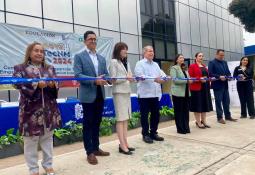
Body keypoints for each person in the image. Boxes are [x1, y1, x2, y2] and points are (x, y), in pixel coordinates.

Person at [13, 42, 61, 175]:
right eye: (36, 50)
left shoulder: (50, 68)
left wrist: (52, 85)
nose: (39, 53)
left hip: (49, 111)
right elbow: (17, 84)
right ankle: (33, 169)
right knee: (30, 142)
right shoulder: (20, 68)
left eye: (42, 51)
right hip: (30, 113)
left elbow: (57, 84)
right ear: (29, 52)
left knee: (47, 139)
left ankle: (48, 165)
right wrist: (36, 84)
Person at [73, 31, 110, 165]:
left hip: (100, 94)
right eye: (90, 39)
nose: (93, 41)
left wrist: (107, 79)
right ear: (85, 41)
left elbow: (105, 73)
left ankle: (96, 148)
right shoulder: (79, 56)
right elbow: (78, 75)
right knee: (88, 124)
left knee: (97, 123)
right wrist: (94, 80)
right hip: (88, 96)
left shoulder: (101, 58)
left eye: (95, 39)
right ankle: (89, 152)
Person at [134, 45, 165, 144]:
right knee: (144, 115)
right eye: (149, 51)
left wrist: (165, 77)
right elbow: (140, 76)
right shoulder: (140, 64)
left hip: (155, 94)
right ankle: (145, 134)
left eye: (152, 51)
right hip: (144, 95)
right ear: (144, 53)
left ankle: (153, 133)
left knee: (156, 114)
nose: (152, 53)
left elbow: (162, 74)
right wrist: (154, 79)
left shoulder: (156, 64)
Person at [109, 42, 135, 155]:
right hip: (119, 93)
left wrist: (131, 78)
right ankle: (122, 145)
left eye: (126, 49)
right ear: (118, 50)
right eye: (124, 49)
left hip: (126, 92)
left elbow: (129, 76)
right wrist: (126, 77)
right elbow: (113, 79)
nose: (126, 51)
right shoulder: (113, 62)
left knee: (125, 118)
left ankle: (125, 143)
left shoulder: (126, 62)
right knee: (120, 119)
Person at [208, 49, 237, 124]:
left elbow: (227, 72)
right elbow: (210, 74)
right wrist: (219, 76)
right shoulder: (212, 63)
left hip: (225, 85)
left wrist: (229, 76)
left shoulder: (224, 62)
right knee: (218, 102)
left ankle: (228, 116)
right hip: (217, 86)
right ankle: (219, 117)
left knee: (226, 102)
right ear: (216, 54)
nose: (222, 56)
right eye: (221, 55)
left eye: (223, 55)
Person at [188, 52, 213, 128]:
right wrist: (199, 79)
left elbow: (207, 76)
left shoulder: (204, 66)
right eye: (199, 56)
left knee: (204, 105)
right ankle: (198, 122)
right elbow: (190, 78)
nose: (201, 57)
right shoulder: (192, 66)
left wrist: (210, 79)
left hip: (205, 88)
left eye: (202, 56)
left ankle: (204, 121)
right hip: (196, 88)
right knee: (198, 105)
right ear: (196, 57)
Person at [170, 54, 192, 134]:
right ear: (176, 60)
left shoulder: (185, 68)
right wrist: (187, 81)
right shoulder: (174, 68)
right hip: (177, 93)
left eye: (183, 57)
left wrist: (191, 80)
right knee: (179, 111)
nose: (182, 59)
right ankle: (180, 129)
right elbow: (175, 80)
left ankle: (186, 127)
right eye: (180, 57)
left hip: (186, 92)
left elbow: (188, 78)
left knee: (186, 111)